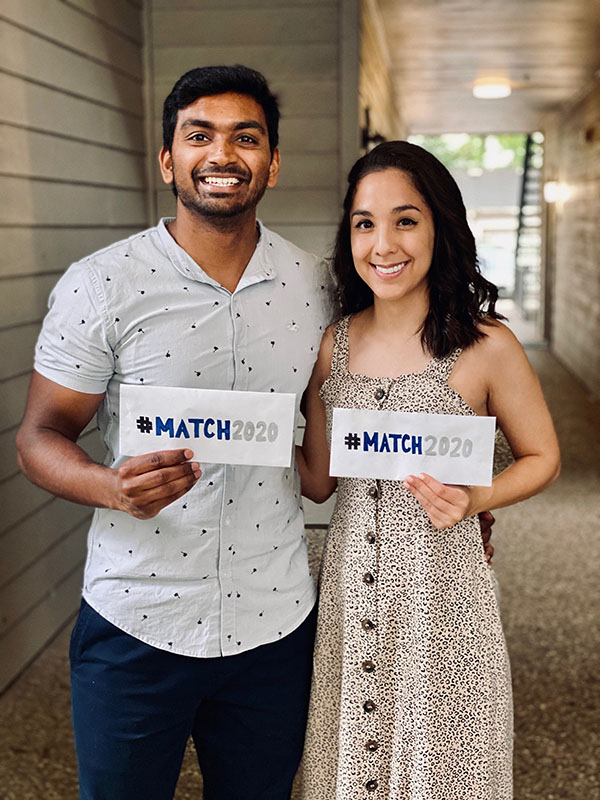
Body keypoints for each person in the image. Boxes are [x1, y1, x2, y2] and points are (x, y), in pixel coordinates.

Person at [16, 65, 334, 800]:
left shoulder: (317, 288)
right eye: (200, 135)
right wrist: (109, 486)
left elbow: (335, 442)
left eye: (245, 138)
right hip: (135, 621)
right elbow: (39, 435)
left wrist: (446, 495)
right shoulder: (103, 283)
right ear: (170, 160)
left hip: (274, 625)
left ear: (273, 163)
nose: (222, 154)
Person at [296, 141, 561, 799]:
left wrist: (477, 498)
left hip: (445, 602)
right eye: (365, 223)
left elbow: (544, 456)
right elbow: (320, 481)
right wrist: (242, 436)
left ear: (439, 226)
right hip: (349, 600)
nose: (383, 243)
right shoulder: (334, 345)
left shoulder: (486, 345)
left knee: (443, 770)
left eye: (405, 220)